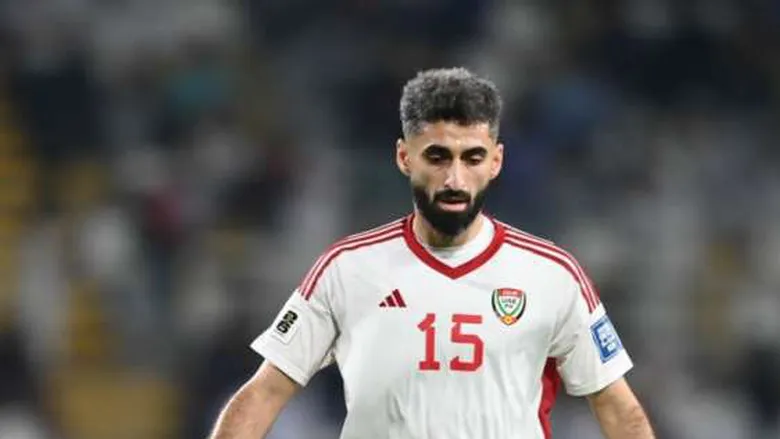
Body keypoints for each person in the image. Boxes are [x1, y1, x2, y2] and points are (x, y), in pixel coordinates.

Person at [209, 67, 655, 439]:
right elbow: (264, 393)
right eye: (438, 157)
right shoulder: (347, 268)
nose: (455, 179)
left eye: (472, 158)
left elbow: (619, 410)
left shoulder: (552, 274)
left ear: (496, 162)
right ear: (405, 157)